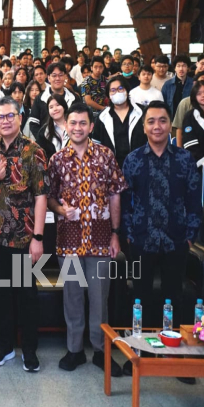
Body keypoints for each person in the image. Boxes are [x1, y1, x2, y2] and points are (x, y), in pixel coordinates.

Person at [122, 100, 202, 373]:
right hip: (142, 241)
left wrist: (189, 235)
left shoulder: (184, 158)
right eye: (151, 121)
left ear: (170, 124)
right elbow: (124, 201)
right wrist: (131, 234)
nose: (157, 126)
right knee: (140, 298)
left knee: (174, 298)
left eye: (162, 120)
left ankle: (174, 359)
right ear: (144, 127)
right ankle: (140, 355)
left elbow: (194, 200)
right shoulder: (132, 159)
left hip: (175, 241)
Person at [47, 103, 125, 376]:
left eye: (83, 123)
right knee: (72, 298)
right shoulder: (56, 160)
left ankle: (101, 351)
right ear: (66, 125)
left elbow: (115, 194)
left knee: (99, 299)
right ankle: (75, 350)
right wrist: (59, 209)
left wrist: (116, 234)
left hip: (102, 240)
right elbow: (50, 199)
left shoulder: (106, 156)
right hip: (68, 241)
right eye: (73, 123)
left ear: (91, 127)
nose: (78, 127)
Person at [0, 97, 48, 372]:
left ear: (20, 118)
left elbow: (42, 196)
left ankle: (29, 350)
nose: (5, 121)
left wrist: (38, 238)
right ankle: (4, 346)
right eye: (0, 117)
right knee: (0, 295)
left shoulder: (34, 151)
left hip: (23, 238)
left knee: (26, 297)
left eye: (10, 116)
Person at [92, 75, 147, 168]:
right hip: (111, 168)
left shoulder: (142, 112)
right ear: (108, 95)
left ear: (127, 90)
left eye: (120, 88)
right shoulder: (102, 117)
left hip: (140, 165)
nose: (117, 92)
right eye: (113, 90)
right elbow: (96, 145)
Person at [29, 62, 82, 138]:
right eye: (54, 75)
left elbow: (80, 121)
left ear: (65, 77)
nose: (57, 78)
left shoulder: (74, 98)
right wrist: (43, 140)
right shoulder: (40, 98)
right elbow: (33, 123)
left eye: (60, 75)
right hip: (46, 143)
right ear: (49, 78)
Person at [181, 81, 204, 167]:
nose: (203, 96)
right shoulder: (189, 116)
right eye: (199, 93)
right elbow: (190, 143)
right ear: (194, 97)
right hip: (197, 165)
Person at [35, 94, 69, 159]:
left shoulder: (74, 126)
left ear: (64, 106)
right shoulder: (44, 132)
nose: (55, 109)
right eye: (51, 107)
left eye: (58, 105)